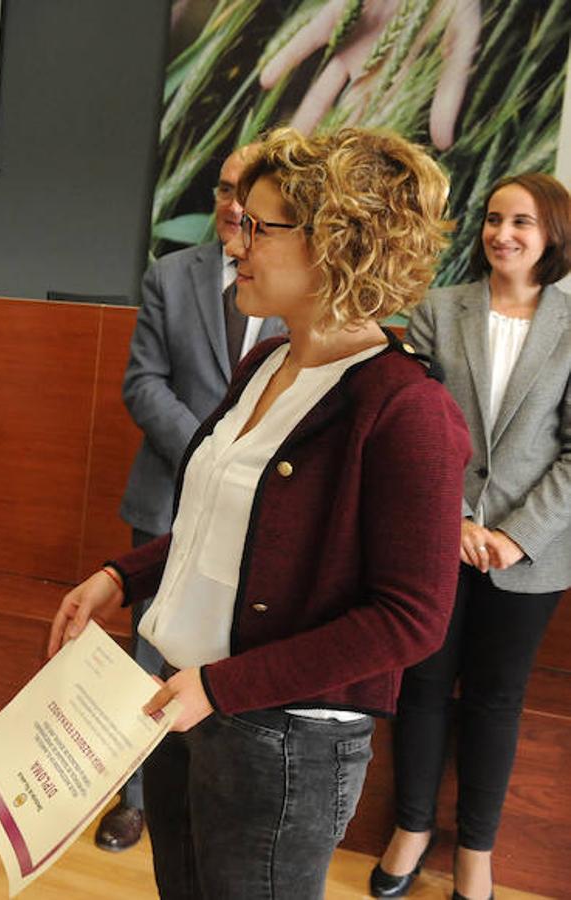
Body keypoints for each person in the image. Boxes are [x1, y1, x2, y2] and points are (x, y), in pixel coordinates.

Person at [48, 126, 469, 899]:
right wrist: (121, 573)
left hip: (282, 743)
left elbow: (412, 619)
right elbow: (232, 527)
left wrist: (224, 688)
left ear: (337, 243)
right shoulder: (267, 362)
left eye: (258, 226)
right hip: (190, 705)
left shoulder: (408, 410)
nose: (234, 242)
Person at [375, 172, 571, 900]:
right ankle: (412, 828)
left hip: (533, 554)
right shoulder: (436, 310)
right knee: (421, 685)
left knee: (496, 698)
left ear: (551, 234)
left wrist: (516, 536)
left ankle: (476, 852)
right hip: (437, 537)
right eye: (493, 218)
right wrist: (452, 518)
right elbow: (412, 425)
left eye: (522, 221)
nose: (503, 233)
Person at [100, 143, 286, 852]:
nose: (234, 204)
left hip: (262, 513)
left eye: (250, 192)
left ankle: (212, 804)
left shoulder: (302, 290)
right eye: (225, 188)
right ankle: (135, 797)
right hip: (167, 502)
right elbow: (143, 384)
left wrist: (241, 470)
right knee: (150, 657)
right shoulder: (170, 275)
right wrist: (212, 457)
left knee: (230, 663)